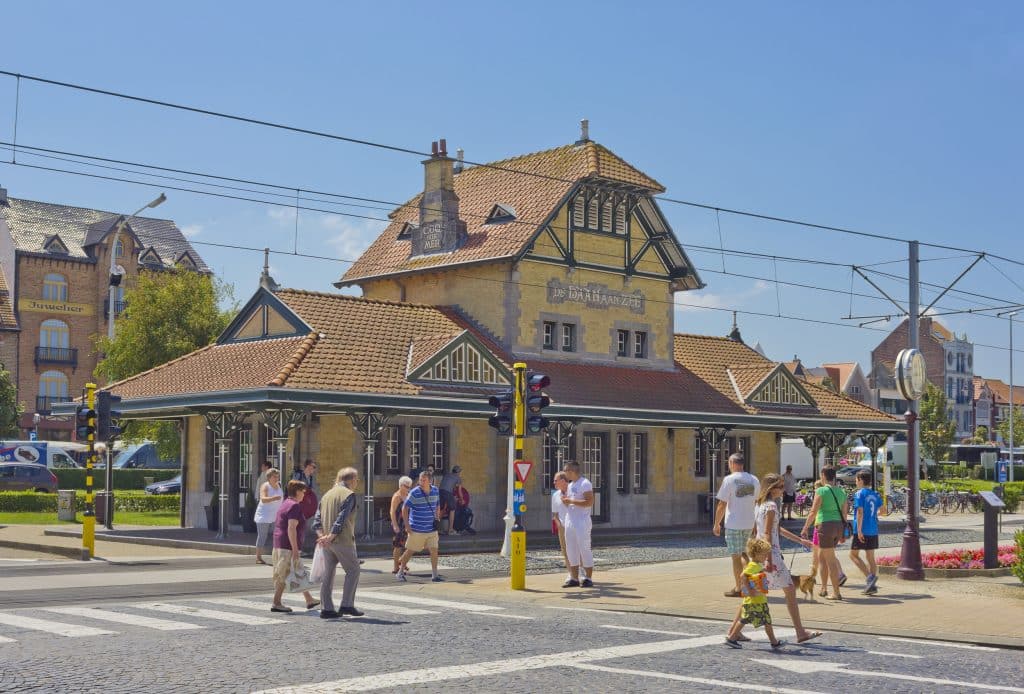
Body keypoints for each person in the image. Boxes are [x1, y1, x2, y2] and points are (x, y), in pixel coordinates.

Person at [754, 473, 822, 644]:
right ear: (772, 489)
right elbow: (768, 533)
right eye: (780, 487)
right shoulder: (771, 506)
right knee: (789, 591)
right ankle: (800, 632)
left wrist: (800, 540)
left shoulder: (759, 505)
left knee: (754, 593)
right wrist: (770, 559)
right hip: (772, 555)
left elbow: (773, 530)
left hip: (760, 555)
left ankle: (733, 632)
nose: (783, 490)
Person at [313, 467, 363, 619]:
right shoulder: (348, 494)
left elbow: (316, 520)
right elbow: (341, 519)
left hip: (327, 543)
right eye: (357, 479)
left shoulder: (327, 494)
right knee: (353, 570)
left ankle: (326, 608)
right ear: (352, 480)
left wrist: (323, 537)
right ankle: (346, 604)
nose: (357, 482)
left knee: (328, 573)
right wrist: (330, 536)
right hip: (342, 540)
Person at [713, 453, 760, 598]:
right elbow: (756, 502)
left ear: (732, 463)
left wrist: (716, 524)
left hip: (734, 523)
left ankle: (740, 587)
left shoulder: (729, 479)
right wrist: (755, 522)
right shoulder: (754, 479)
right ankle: (749, 584)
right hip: (749, 522)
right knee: (745, 554)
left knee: (736, 556)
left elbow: (722, 504)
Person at [725, 537, 784, 649]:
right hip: (754, 601)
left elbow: (755, 574)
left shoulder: (757, 565)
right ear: (756, 554)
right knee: (748, 620)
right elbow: (743, 576)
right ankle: (732, 638)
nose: (766, 557)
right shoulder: (753, 565)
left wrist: (766, 570)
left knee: (764, 621)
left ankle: (774, 642)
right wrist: (750, 590)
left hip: (758, 600)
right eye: (764, 555)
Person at [270, 480, 319, 613]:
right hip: (287, 545)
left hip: (279, 543)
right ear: (297, 492)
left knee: (298, 570)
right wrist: (295, 549)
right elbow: (291, 528)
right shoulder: (294, 506)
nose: (304, 494)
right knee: (284, 573)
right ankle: (276, 602)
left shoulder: (285, 503)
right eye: (303, 492)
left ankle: (309, 599)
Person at [801, 466, 849, 600]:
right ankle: (823, 589)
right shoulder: (841, 492)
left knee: (830, 561)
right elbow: (845, 514)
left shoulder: (821, 491)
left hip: (825, 526)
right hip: (838, 526)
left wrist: (805, 528)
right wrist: (843, 533)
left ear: (823, 475)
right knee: (822, 558)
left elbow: (813, 511)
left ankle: (836, 592)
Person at [396, 470, 443, 583]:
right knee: (410, 551)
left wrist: (437, 518)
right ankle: (400, 572)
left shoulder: (435, 491)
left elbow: (437, 505)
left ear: (430, 481)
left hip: (431, 528)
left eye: (424, 480)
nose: (421, 482)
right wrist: (407, 525)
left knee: (434, 550)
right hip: (417, 529)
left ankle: (435, 575)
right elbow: (405, 508)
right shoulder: (414, 492)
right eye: (420, 480)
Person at [561, 461, 594, 588]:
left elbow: (589, 502)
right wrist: (566, 502)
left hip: (582, 521)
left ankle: (588, 578)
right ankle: (574, 578)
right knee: (571, 549)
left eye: (565, 470)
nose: (564, 473)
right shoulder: (570, 485)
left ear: (571, 471)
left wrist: (571, 501)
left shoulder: (585, 483)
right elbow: (571, 502)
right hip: (571, 519)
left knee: (584, 548)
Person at [849, 469, 882, 595]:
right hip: (873, 528)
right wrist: (873, 516)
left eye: (856, 480)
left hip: (862, 529)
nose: (855, 482)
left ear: (861, 480)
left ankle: (870, 578)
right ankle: (871, 586)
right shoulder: (875, 494)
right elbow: (883, 510)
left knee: (853, 555)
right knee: (870, 558)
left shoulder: (859, 494)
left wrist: (859, 530)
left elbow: (860, 512)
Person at [253, 467, 283, 565]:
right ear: (269, 477)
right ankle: (258, 557)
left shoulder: (279, 485)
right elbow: (263, 499)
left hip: (276, 515)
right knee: (262, 536)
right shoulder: (265, 486)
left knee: (278, 536)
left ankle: (277, 557)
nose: (277, 478)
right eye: (274, 477)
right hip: (264, 515)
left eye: (277, 476)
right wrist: (274, 498)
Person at [550, 471, 571, 583]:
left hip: (575, 525)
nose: (553, 483)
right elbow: (555, 514)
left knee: (578, 550)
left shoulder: (573, 492)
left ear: (563, 481)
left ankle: (582, 573)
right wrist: (559, 526)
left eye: (555, 480)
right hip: (562, 527)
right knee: (565, 551)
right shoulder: (555, 495)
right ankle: (571, 574)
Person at [390, 476, 413, 574]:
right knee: (398, 545)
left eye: (409, 487)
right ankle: (396, 567)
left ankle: (402, 561)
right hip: (399, 523)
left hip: (407, 523)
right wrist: (395, 525)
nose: (408, 488)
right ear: (401, 485)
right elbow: (392, 511)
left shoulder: (408, 495)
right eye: (406, 486)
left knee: (409, 544)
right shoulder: (397, 496)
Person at [439, 465, 462, 534]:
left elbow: (448, 485)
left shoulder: (447, 475)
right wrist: (462, 499)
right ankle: (450, 530)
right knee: (452, 509)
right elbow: (459, 491)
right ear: (458, 472)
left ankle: (437, 529)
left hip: (440, 491)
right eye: (460, 472)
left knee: (441, 510)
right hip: (447, 492)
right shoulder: (458, 478)